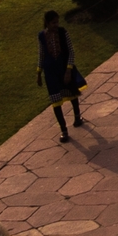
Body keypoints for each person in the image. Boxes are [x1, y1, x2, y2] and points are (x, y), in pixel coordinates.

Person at [37, 10, 85, 142]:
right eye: (53, 23)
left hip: (64, 69)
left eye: (57, 22)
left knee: (72, 94)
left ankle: (77, 117)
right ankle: (63, 130)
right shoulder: (41, 36)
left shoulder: (63, 33)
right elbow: (41, 54)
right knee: (55, 101)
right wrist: (38, 73)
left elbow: (71, 52)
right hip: (50, 73)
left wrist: (69, 70)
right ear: (47, 23)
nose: (56, 25)